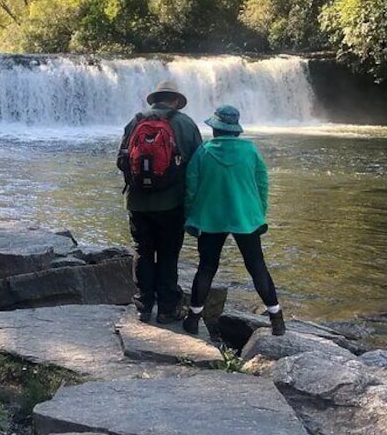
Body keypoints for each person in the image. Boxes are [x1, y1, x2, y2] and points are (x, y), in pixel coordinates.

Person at [182, 104, 285, 338]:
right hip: (245, 217)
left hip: (210, 218)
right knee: (257, 266)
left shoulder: (203, 152)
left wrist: (191, 216)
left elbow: (191, 187)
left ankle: (193, 319)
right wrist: (259, 213)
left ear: (216, 129)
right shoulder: (251, 151)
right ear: (236, 130)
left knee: (207, 267)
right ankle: (277, 319)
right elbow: (262, 185)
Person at [117, 81, 202, 323]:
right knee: (168, 254)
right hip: (172, 203)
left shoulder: (135, 122)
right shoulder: (185, 124)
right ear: (175, 100)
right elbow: (198, 165)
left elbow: (122, 160)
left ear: (155, 99)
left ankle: (144, 305)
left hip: (137, 203)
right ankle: (167, 309)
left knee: (143, 251)